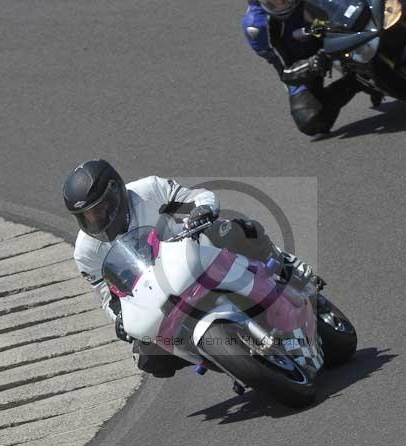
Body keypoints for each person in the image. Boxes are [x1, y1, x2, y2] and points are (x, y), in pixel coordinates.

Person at [63, 159, 319, 378]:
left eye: (99, 209)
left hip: (192, 253)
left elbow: (197, 197)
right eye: (87, 216)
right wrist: (118, 317)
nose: (95, 219)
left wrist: (203, 210)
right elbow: (108, 296)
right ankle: (219, 356)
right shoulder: (86, 252)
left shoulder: (149, 190)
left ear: (115, 192)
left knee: (233, 230)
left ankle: (284, 263)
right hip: (155, 292)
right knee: (147, 357)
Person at [243, 0, 382, 136]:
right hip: (303, 58)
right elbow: (285, 71)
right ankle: (356, 82)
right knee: (310, 121)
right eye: (273, 2)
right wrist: (310, 64)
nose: (281, 3)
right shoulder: (257, 27)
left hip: (328, 26)